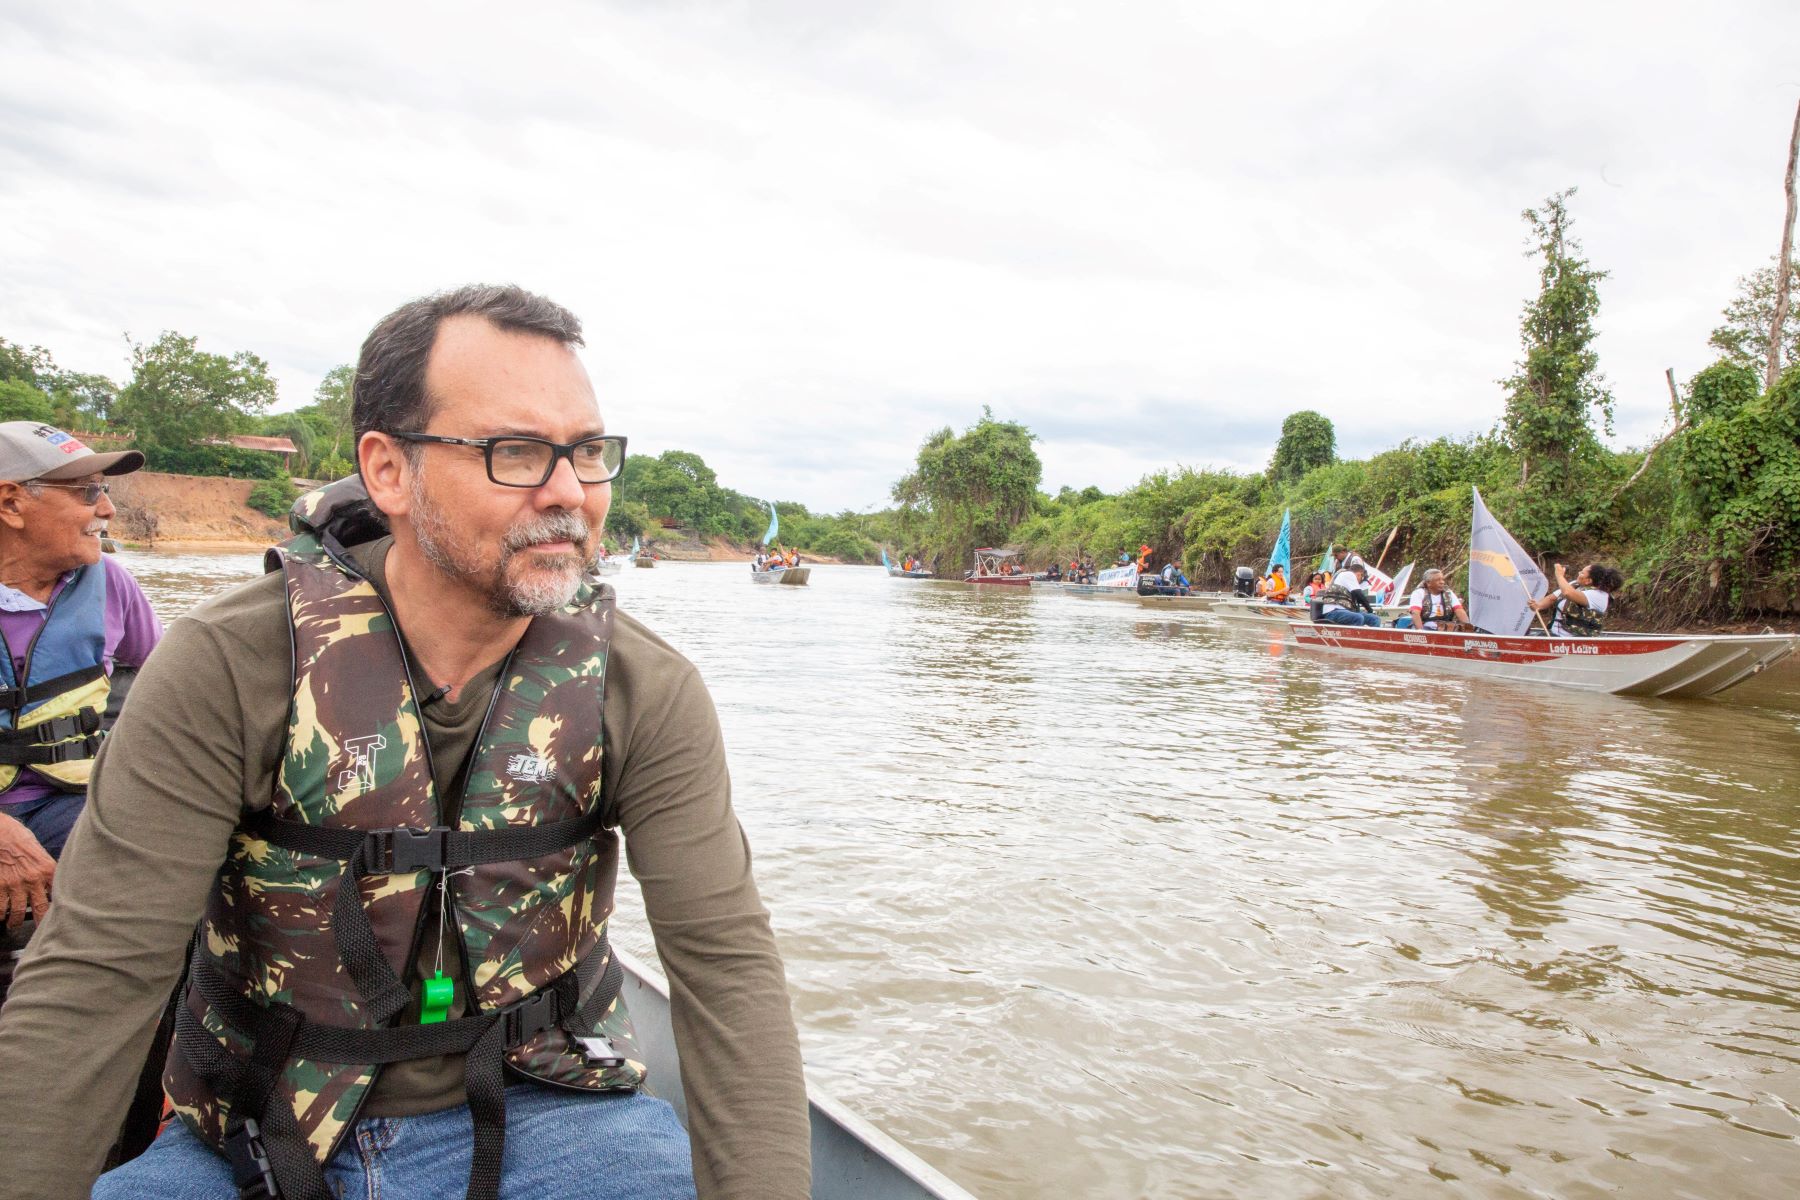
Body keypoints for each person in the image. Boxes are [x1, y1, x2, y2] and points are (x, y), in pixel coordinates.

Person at [0, 286, 810, 1200]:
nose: (570, 493)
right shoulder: (229, 665)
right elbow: (100, 973)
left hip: (551, 1109)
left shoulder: (644, 687)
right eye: (515, 452)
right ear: (388, 470)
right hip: (261, 1119)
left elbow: (726, 965)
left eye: (587, 451)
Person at [0, 423, 162, 1013]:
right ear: (11, 503)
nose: (109, 509)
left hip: (72, 811)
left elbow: (176, 701)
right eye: (87, 491)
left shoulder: (113, 585)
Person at [1531, 561, 1622, 637]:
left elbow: (1568, 593)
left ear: (1588, 581)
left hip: (1576, 639)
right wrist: (1538, 605)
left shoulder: (1599, 596)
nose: (1579, 573)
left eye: (1582, 573)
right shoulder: (1575, 585)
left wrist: (1559, 575)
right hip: (1554, 634)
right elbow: (1552, 598)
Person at [1314, 560, 1381, 627]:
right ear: (1359, 574)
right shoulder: (1348, 574)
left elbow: (1359, 599)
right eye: (1361, 577)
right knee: (1358, 617)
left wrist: (1370, 612)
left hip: (1345, 612)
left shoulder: (1347, 582)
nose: (1360, 580)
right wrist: (1371, 610)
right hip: (1333, 612)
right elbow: (1359, 595)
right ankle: (1354, 637)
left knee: (1375, 619)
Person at [1404, 568, 1469, 631]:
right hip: (1425, 626)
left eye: (1442, 579)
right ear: (1428, 583)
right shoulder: (1419, 593)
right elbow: (1415, 613)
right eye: (1438, 580)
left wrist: (1468, 628)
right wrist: (1421, 632)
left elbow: (1460, 611)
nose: (1442, 582)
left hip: (1445, 627)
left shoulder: (1449, 593)